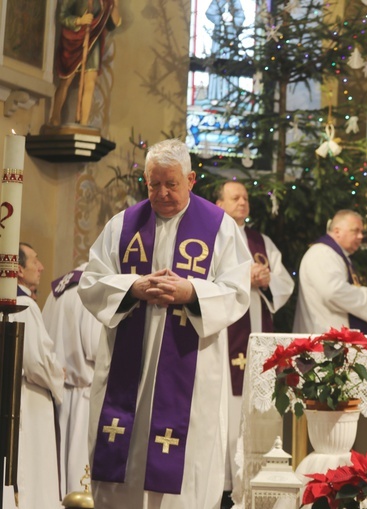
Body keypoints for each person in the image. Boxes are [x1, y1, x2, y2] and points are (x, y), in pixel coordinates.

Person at [78, 138, 252, 508]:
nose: (161, 192)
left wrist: (191, 292)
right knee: (125, 460)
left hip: (191, 373)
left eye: (171, 183)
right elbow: (91, 282)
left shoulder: (219, 227)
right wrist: (133, 286)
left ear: (190, 179)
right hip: (129, 373)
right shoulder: (122, 225)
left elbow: (238, 291)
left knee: (183, 469)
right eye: (154, 184)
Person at [214, 180, 294, 507]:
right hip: (225, 332)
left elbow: (285, 281)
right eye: (235, 197)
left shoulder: (261, 241)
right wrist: (241, 279)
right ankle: (221, 482)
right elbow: (201, 279)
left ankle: (253, 477)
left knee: (254, 399)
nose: (243, 203)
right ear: (219, 203)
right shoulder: (211, 235)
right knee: (227, 404)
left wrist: (266, 279)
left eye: (245, 197)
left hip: (256, 330)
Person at [41, 263, 103, 499]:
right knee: (81, 481)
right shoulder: (93, 287)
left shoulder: (58, 288)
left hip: (57, 394)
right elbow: (97, 347)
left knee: (59, 477)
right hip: (86, 396)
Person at [12, 243, 65, 508]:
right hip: (28, 402)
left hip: (14, 396)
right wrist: (59, 373)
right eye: (35, 260)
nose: (41, 266)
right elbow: (37, 363)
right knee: (32, 470)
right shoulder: (23, 306)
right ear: (19, 269)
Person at [293, 210, 367, 334]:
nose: (361, 236)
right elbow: (332, 292)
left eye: (361, 232)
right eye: (355, 231)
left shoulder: (336, 255)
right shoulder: (322, 253)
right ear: (337, 231)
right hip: (323, 338)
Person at [49, 0, 122, 126]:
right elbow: (63, 15)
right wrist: (79, 21)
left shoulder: (106, 2)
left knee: (90, 83)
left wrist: (115, 6)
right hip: (74, 41)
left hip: (94, 42)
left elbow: (111, 25)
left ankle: (84, 122)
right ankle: (55, 117)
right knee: (66, 82)